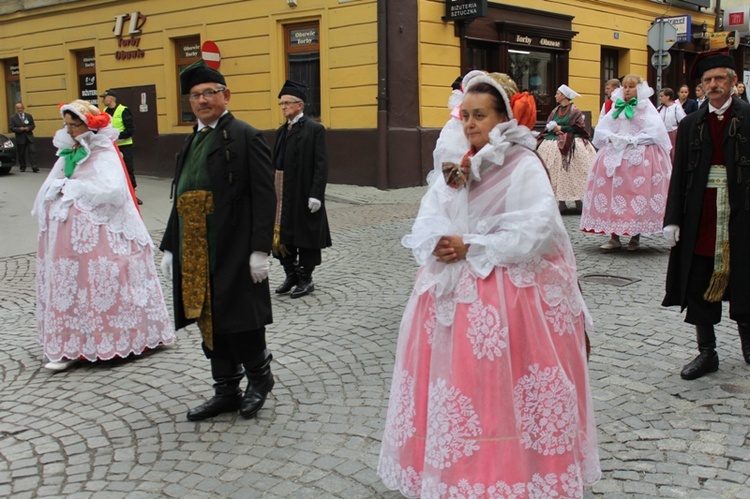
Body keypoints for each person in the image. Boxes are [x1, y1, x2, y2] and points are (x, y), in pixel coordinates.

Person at [378, 71, 600, 497]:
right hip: (451, 292)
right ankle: (458, 474)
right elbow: (430, 212)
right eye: (465, 116)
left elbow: (536, 229)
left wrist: (471, 245)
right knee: (457, 386)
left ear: (502, 118)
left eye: (479, 115)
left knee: (499, 391)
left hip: (507, 296)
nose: (470, 124)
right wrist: (438, 242)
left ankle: (515, 473)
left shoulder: (522, 163)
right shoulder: (456, 165)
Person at [159, 60, 276, 421]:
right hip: (195, 250)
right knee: (209, 318)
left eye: (210, 93)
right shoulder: (192, 139)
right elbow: (182, 195)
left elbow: (264, 195)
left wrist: (260, 249)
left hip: (234, 245)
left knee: (241, 318)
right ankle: (225, 389)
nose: (202, 100)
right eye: (195, 95)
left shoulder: (246, 135)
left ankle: (260, 379)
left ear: (226, 95)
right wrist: (169, 245)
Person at [31, 99, 174, 371]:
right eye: (68, 125)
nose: (70, 130)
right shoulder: (68, 151)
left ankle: (127, 337)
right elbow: (53, 183)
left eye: (75, 125)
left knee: (105, 283)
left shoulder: (104, 150)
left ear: (89, 126)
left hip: (102, 238)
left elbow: (112, 191)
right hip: (66, 241)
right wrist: (56, 191)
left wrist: (72, 190)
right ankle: (71, 345)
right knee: (72, 286)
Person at [663, 51, 750, 380]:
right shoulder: (689, 124)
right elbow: (678, 177)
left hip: (742, 212)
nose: (713, 85)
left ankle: (748, 345)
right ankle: (707, 352)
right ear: (701, 86)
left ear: (732, 82)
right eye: (707, 80)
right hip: (700, 214)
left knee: (745, 273)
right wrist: (672, 219)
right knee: (699, 277)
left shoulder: (749, 118)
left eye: (720, 79)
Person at [580, 74, 672, 251]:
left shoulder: (646, 107)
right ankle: (614, 236)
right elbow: (603, 128)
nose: (627, 90)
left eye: (631, 86)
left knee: (636, 195)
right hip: (615, 156)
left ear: (640, 89)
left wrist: (633, 141)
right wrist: (613, 138)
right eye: (625, 86)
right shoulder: (616, 106)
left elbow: (655, 132)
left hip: (637, 158)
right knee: (612, 194)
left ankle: (634, 236)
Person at [271, 79, 332, 299]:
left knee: (305, 236)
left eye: (287, 103)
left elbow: (321, 164)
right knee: (280, 237)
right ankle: (291, 273)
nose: (284, 107)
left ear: (300, 105)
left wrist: (316, 194)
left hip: (304, 191)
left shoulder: (315, 130)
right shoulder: (281, 131)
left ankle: (306, 278)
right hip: (281, 191)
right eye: (282, 104)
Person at [537, 84, 597, 213]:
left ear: (564, 96)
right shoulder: (555, 110)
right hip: (555, 139)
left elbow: (579, 127)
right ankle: (561, 201)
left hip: (572, 140)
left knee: (575, 170)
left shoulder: (574, 110)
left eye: (558, 93)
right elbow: (549, 124)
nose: (555, 95)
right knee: (555, 169)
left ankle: (579, 200)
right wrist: (553, 128)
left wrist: (562, 129)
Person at [100, 89, 141, 205]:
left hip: (124, 146)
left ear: (111, 98)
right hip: (110, 147)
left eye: (105, 97)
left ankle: (134, 195)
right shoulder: (104, 111)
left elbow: (130, 130)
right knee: (111, 171)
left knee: (128, 170)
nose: (103, 100)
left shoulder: (123, 110)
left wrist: (115, 137)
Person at [657, 87, 686, 162]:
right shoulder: (660, 108)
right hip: (662, 134)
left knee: (673, 153)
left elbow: (683, 120)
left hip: (673, 133)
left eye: (662, 96)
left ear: (668, 97)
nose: (660, 98)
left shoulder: (676, 107)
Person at [9, 102, 39, 172]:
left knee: (32, 151)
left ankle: (34, 167)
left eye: (20, 108)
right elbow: (11, 127)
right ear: (16, 109)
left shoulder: (28, 116)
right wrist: (19, 129)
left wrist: (28, 128)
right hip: (20, 137)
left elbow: (33, 125)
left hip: (29, 137)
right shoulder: (13, 117)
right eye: (18, 108)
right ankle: (22, 166)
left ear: (23, 108)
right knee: (21, 153)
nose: (19, 110)